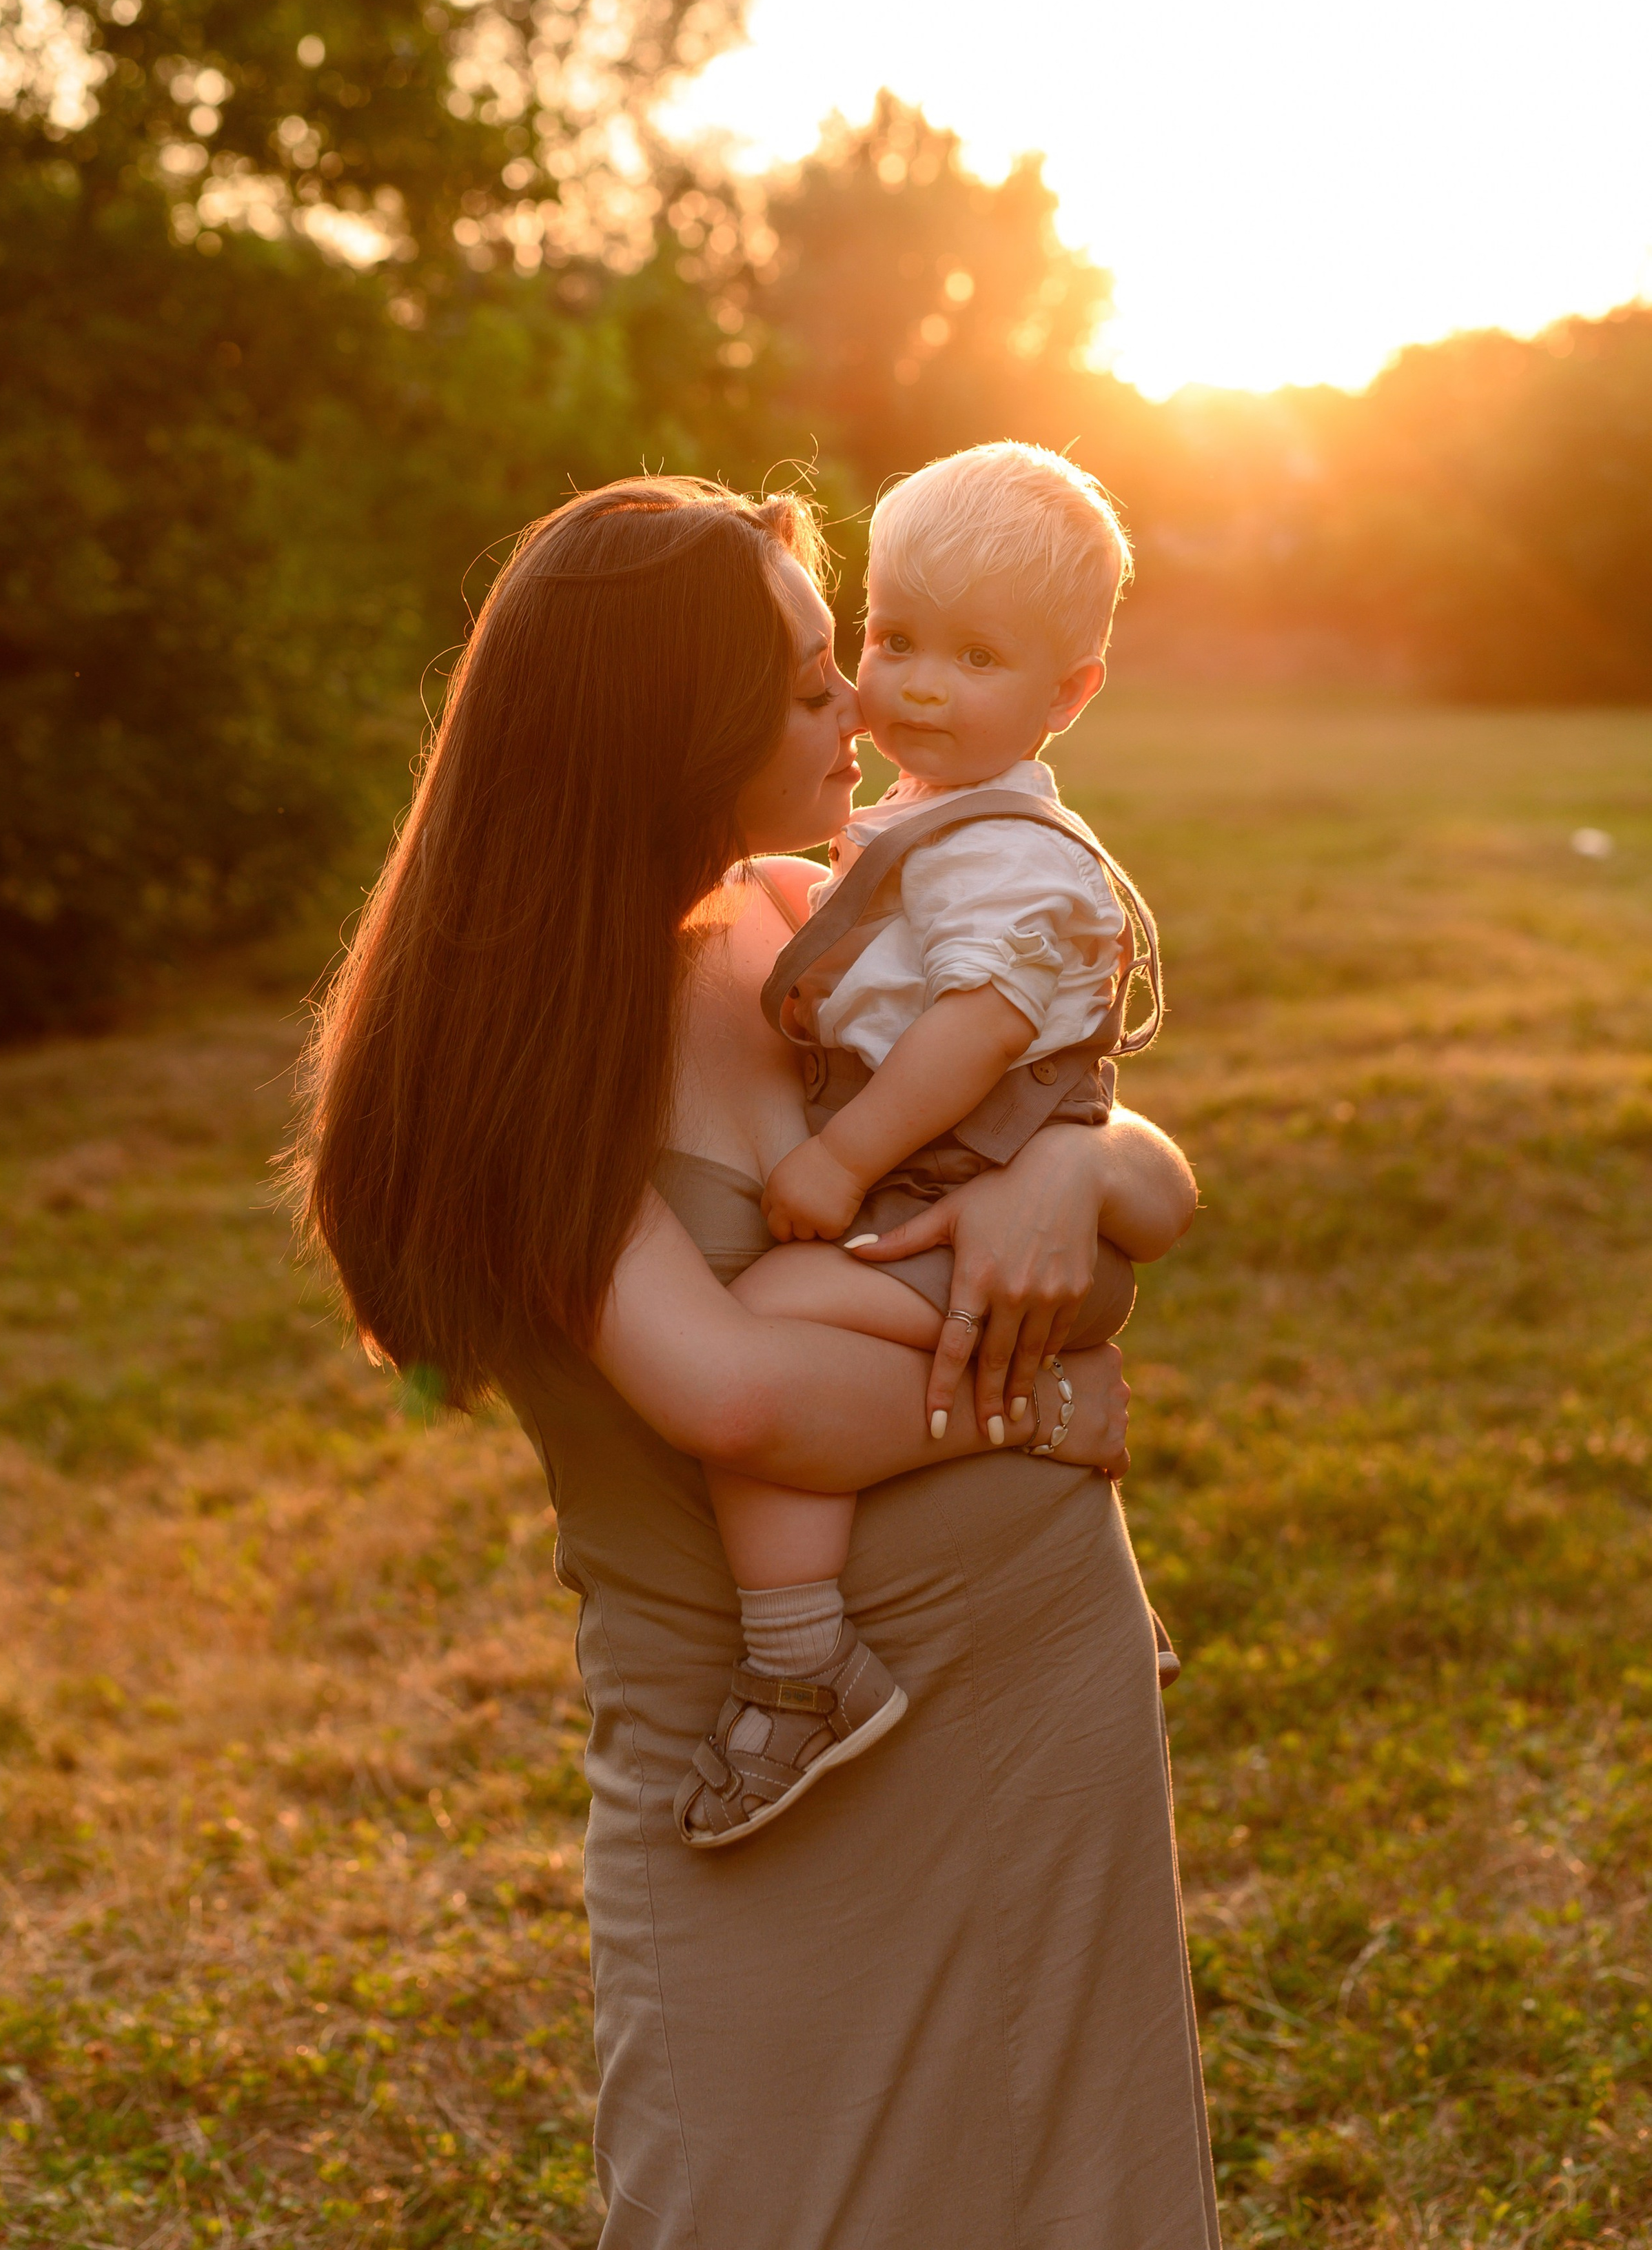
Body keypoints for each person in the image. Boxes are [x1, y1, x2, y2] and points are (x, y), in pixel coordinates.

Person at [300, 477, 1220, 2250]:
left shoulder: (820, 919)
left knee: (1069, 2194)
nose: (859, 707)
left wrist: (1066, 1165)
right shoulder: (516, 1050)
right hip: (764, 1752)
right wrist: (1054, 1402)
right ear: (668, 734)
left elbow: (1138, 1163)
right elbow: (734, 1396)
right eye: (812, 684)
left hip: (1032, 1682)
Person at [681, 442, 1171, 1849]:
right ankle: (1077, 1575)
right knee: (797, 1315)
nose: (918, 687)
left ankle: (799, 1658)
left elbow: (976, 1025)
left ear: (1069, 695)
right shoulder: (922, 819)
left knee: (772, 1307)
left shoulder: (1009, 853)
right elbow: (871, 942)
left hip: (970, 1194)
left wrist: (841, 1161)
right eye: (895, 640)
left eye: (977, 657)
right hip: (961, 1193)